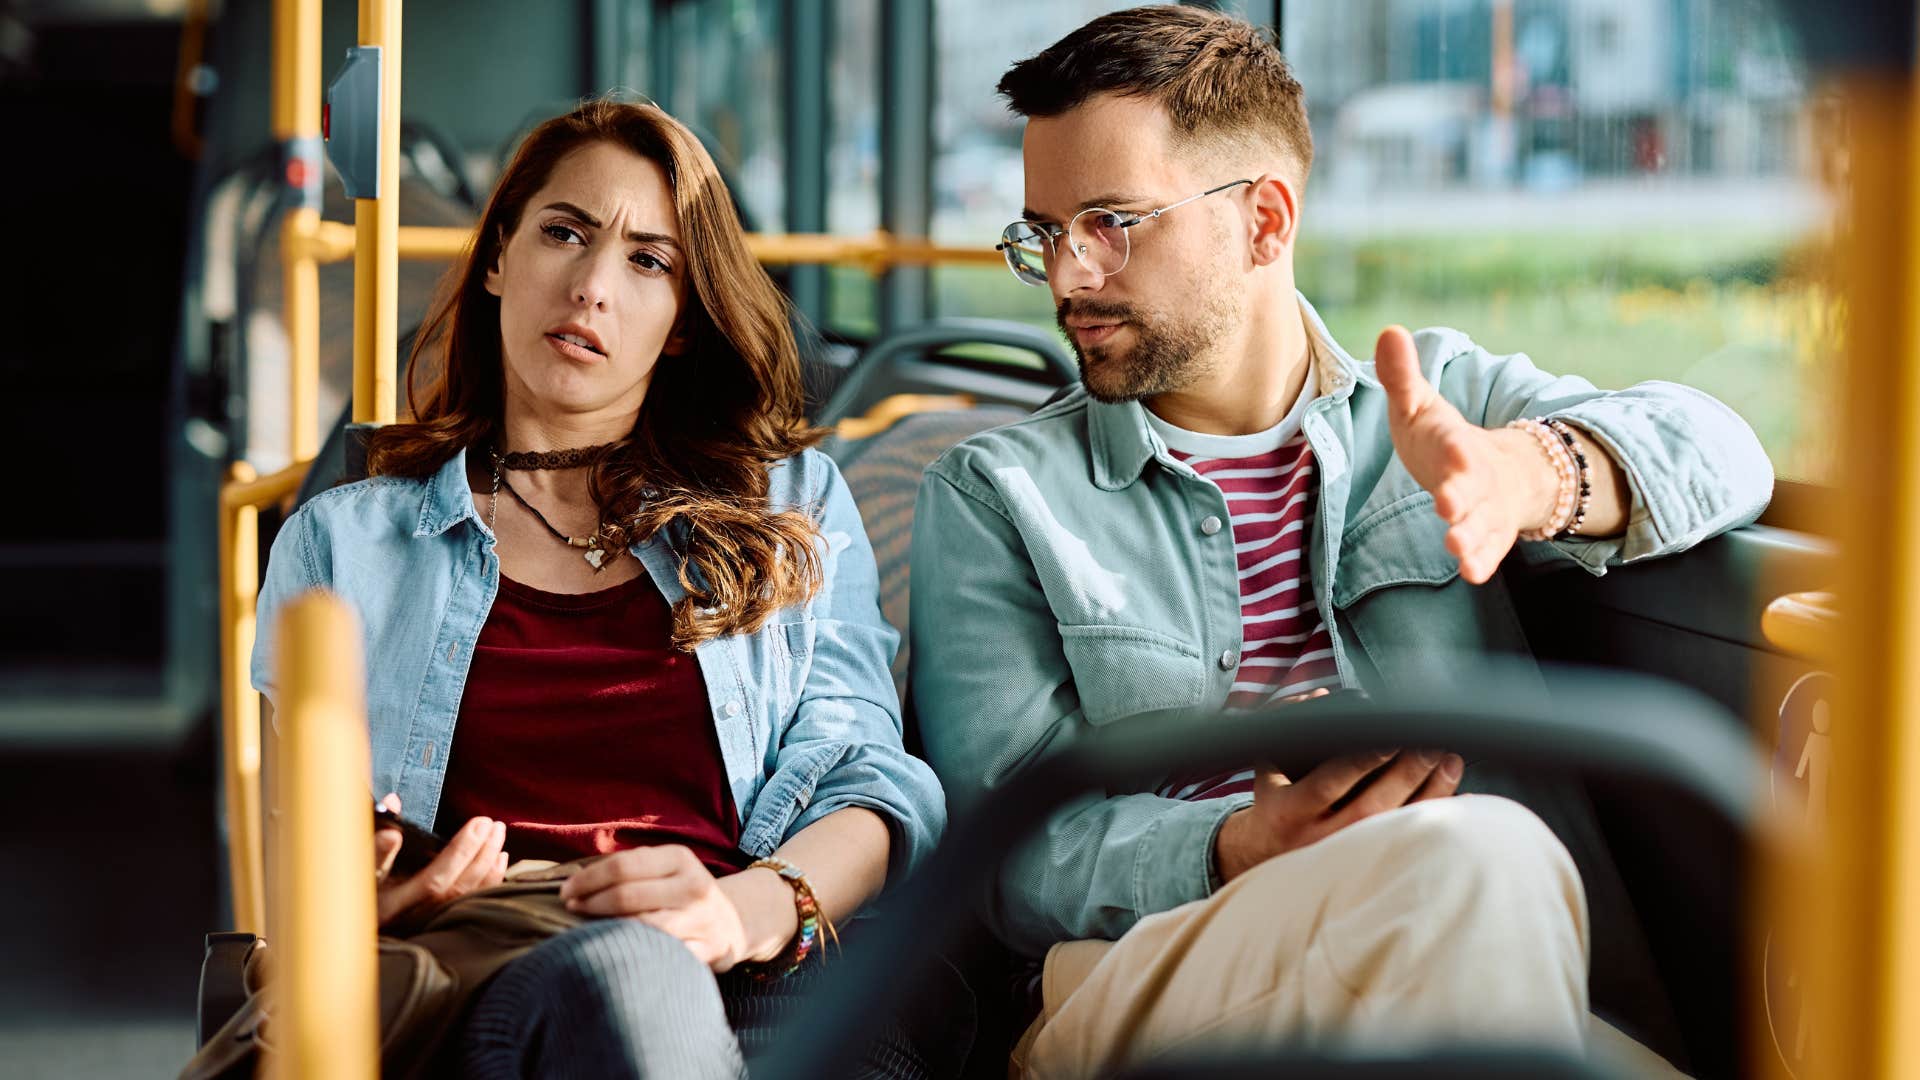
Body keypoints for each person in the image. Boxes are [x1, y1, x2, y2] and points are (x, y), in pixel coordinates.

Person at [907, 6, 1772, 1077]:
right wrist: (1235, 847)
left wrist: (1530, 476)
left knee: (1468, 895)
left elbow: (1722, 445)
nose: (1072, 276)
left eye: (1112, 222)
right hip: (1143, 978)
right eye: (1046, 232)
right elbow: (1005, 857)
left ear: (1266, 221)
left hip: (1469, 952)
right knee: (1475, 860)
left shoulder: (1445, 401)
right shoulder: (997, 498)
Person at [251, 98, 946, 1079]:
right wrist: (367, 907)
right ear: (499, 258)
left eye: (648, 262)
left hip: (760, 957)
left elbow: (868, 780)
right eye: (564, 233)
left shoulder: (790, 505)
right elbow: (298, 878)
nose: (590, 287)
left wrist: (743, 911)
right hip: (488, 972)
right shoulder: (345, 544)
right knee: (630, 979)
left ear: (678, 327)